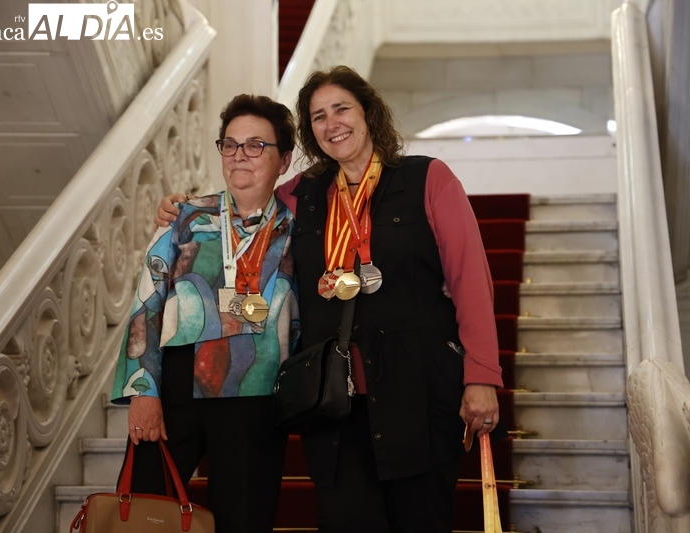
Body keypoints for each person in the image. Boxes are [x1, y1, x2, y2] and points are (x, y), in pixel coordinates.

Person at [155, 66, 503, 533]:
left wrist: (481, 376)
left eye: (342, 109)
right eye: (318, 116)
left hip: (417, 389)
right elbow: (244, 200)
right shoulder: (303, 196)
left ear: (368, 113)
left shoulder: (428, 179)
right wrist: (184, 208)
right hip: (331, 401)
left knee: (421, 519)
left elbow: (471, 282)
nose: (331, 122)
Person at [111, 94, 300, 533]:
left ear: (284, 160)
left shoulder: (300, 227)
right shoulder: (186, 217)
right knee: (145, 517)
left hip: (258, 391)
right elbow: (149, 303)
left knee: (244, 521)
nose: (239, 156)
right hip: (176, 386)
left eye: (256, 145)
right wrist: (143, 390)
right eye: (230, 144)